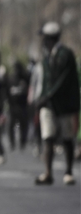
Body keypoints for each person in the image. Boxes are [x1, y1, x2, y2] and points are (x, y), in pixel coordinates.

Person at [32, 22, 79, 186]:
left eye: (44, 37)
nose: (42, 41)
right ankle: (48, 173)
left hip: (64, 104)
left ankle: (68, 172)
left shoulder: (66, 54)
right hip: (48, 104)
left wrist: (48, 95)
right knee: (48, 137)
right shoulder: (47, 56)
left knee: (67, 138)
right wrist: (41, 98)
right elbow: (45, 81)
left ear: (50, 38)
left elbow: (64, 80)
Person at [7, 60, 30, 151]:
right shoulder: (11, 78)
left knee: (23, 125)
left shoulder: (25, 78)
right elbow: (7, 91)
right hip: (13, 105)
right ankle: (12, 142)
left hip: (23, 105)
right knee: (11, 125)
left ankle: (22, 142)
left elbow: (29, 89)